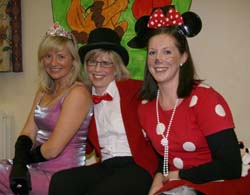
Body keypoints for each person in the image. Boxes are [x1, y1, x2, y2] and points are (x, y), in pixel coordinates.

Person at [132, 6, 248, 195]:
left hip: (219, 182)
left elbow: (231, 166)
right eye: (152, 53)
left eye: (167, 52)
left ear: (183, 57)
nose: (158, 59)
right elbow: (165, 155)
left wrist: (177, 175)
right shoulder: (145, 108)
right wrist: (157, 180)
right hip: (179, 182)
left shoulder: (205, 99)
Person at [49, 27, 158, 195]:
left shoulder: (136, 90)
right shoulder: (83, 97)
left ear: (116, 67)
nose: (97, 69)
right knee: (61, 181)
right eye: (92, 62)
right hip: (107, 164)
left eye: (105, 63)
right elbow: (79, 141)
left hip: (138, 165)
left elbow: (166, 101)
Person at [0, 23, 93, 195]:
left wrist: (20, 164)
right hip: (35, 167)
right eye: (48, 56)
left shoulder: (78, 93)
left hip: (61, 177)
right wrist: (19, 164)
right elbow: (27, 132)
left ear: (73, 60)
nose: (53, 63)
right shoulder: (44, 91)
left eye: (61, 56)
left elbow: (52, 149)